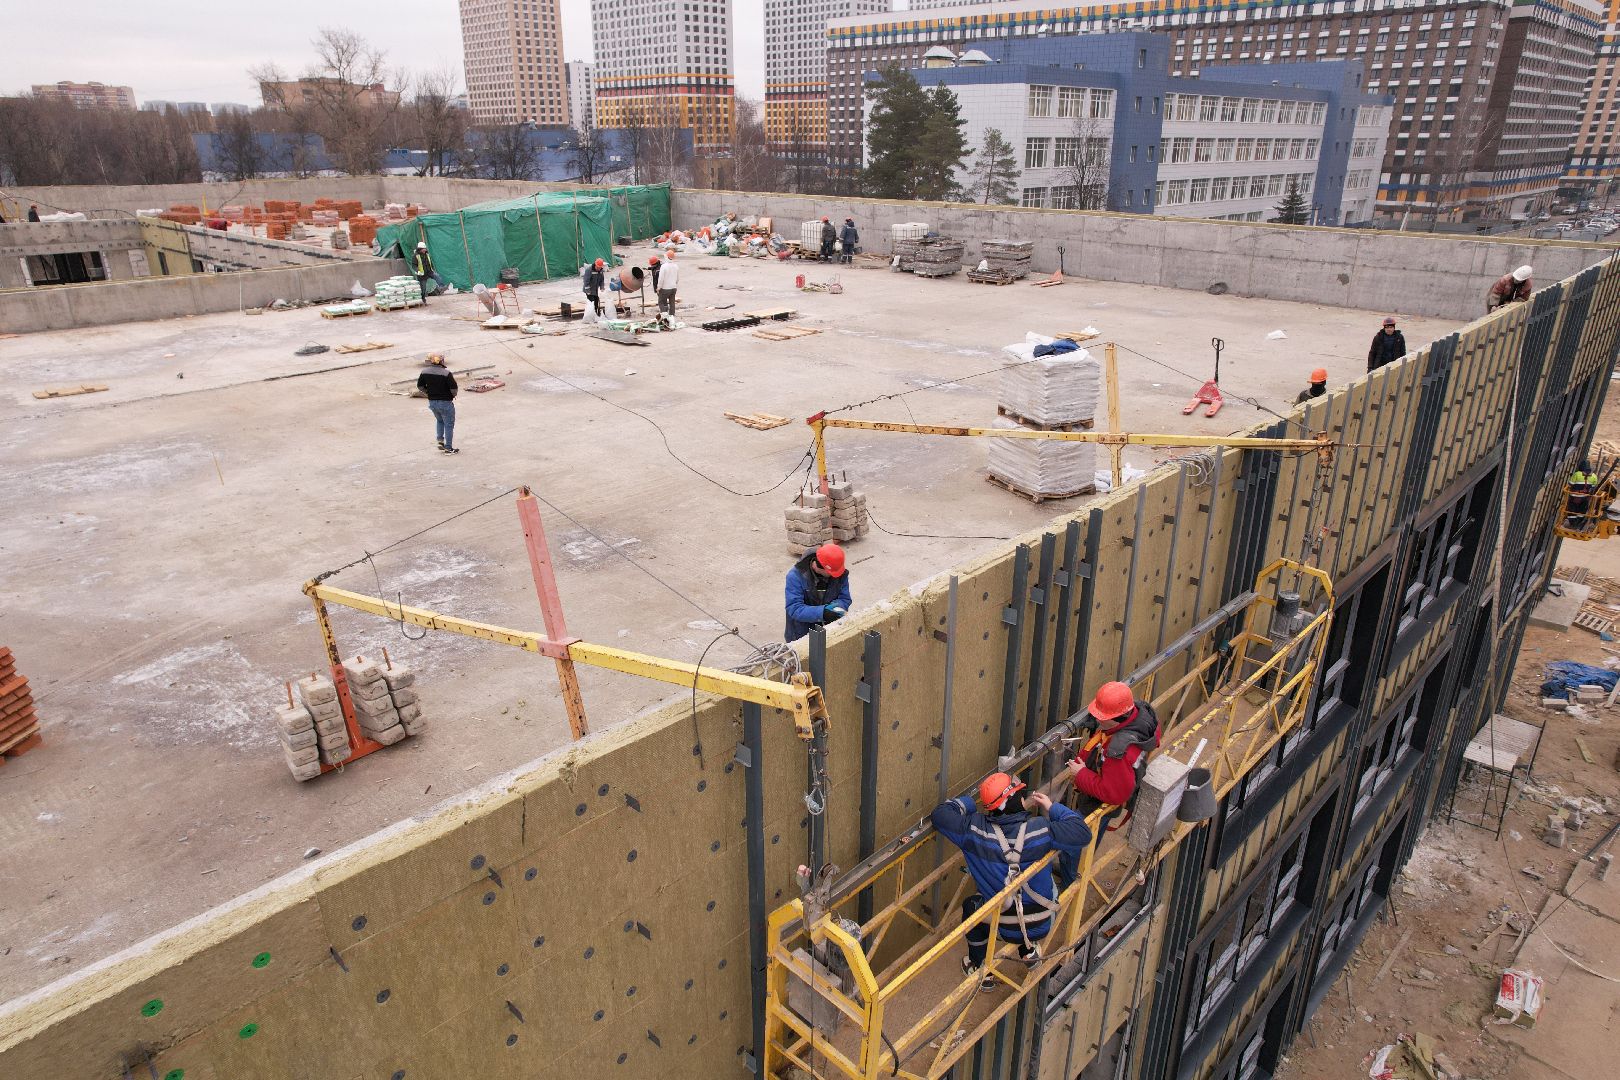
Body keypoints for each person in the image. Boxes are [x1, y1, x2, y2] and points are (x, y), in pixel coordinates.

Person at [931, 773, 1091, 988]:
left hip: (1004, 926)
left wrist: (969, 802)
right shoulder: (1040, 830)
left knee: (972, 906)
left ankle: (979, 967)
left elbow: (940, 814)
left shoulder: (974, 832)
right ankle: (1028, 951)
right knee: (1033, 887)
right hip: (1045, 919)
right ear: (1011, 799)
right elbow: (1082, 833)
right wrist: (1053, 808)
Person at [1067, 681, 1161, 835]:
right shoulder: (1139, 717)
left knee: (1079, 840)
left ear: (1116, 717)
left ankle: (1072, 858)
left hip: (1099, 804)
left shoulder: (1118, 752)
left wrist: (1081, 774)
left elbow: (1114, 795)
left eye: (1101, 716)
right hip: (1117, 777)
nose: (1097, 719)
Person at [784, 542, 852, 642]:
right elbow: (794, 608)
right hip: (801, 632)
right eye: (831, 573)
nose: (835, 576)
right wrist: (822, 612)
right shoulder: (795, 576)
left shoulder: (838, 572)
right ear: (821, 566)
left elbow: (845, 598)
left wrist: (836, 608)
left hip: (828, 630)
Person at [416, 353, 460, 455]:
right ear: (441, 361)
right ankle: (448, 448)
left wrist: (429, 393)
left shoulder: (424, 372)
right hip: (445, 403)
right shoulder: (446, 373)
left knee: (440, 421)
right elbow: (454, 389)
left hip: (432, 402)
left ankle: (440, 440)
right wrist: (452, 396)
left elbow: (420, 386)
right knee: (449, 425)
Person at [656, 249, 680, 316]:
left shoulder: (663, 266)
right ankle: (672, 316)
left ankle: (664, 316)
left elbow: (661, 279)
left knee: (661, 302)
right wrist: (674, 284)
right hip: (673, 288)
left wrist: (658, 287)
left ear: (666, 257)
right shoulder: (676, 266)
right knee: (672, 303)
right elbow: (677, 279)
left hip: (665, 288)